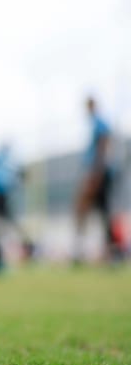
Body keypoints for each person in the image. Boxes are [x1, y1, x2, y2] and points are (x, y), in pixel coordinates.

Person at [74, 96, 116, 263]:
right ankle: (104, 251)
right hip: (96, 172)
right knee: (99, 211)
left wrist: (96, 174)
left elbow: (103, 147)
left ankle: (106, 252)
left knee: (86, 210)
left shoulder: (100, 123)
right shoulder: (95, 123)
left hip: (98, 173)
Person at [0, 143, 34, 260]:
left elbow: (17, 174)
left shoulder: (2, 160)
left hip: (0, 196)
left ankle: (26, 245)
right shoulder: (6, 162)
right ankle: (25, 244)